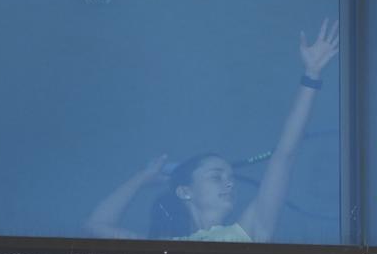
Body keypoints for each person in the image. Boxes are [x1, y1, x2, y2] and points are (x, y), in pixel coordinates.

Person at [85, 19, 339, 242]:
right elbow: (96, 225)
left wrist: (312, 74)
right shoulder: (163, 249)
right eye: (216, 176)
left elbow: (284, 155)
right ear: (185, 191)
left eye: (229, 177)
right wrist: (142, 177)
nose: (229, 182)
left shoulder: (248, 233)